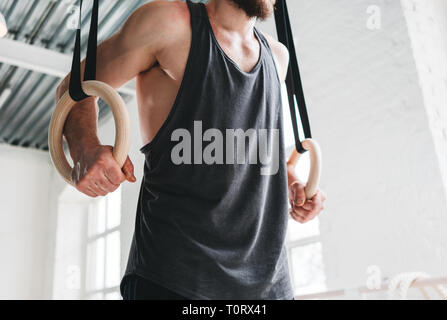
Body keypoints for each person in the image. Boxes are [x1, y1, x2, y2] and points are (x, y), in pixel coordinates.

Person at [56, 0, 326, 300]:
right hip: (174, 281)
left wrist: (291, 184)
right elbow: (76, 89)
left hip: (269, 286)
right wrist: (85, 147)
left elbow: (261, 154)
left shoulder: (278, 57)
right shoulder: (168, 22)